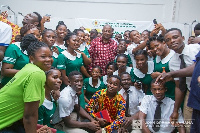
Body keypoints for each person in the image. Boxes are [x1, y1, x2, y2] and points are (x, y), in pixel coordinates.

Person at [0, 41, 53, 132]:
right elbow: (29, 116)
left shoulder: (28, 68)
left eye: (50, 56)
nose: (48, 59)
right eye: (43, 56)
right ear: (31, 58)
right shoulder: (36, 73)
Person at [164, 28, 200, 133]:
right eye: (168, 40)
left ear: (183, 38)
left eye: (175, 37)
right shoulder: (173, 62)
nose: (172, 41)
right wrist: (175, 110)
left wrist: (172, 74)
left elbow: (196, 68)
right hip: (191, 92)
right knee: (190, 127)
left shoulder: (196, 48)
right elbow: (179, 86)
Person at [148, 34, 176, 100]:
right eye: (152, 48)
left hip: (173, 94)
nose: (155, 49)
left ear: (164, 43)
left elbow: (181, 80)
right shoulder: (157, 58)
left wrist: (160, 75)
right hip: (162, 95)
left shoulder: (173, 57)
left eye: (157, 46)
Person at [38, 68, 64, 133]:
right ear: (45, 79)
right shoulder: (40, 103)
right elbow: (39, 128)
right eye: (55, 77)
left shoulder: (53, 95)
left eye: (60, 78)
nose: (59, 81)